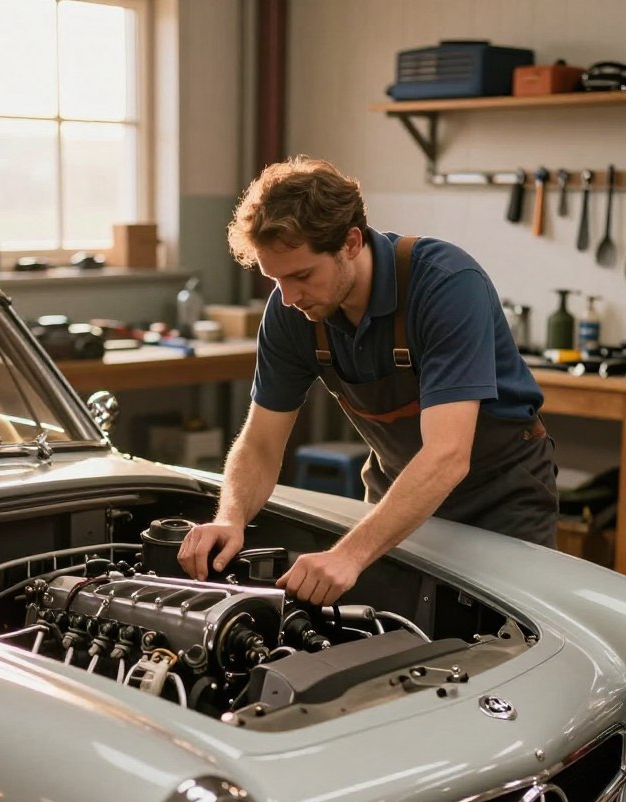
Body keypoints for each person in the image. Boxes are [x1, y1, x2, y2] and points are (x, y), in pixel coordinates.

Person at [177, 155, 558, 606]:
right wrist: (231, 517)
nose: (288, 297)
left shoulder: (446, 285)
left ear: (351, 242)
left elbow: (447, 455)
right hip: (398, 491)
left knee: (503, 646)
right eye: (274, 279)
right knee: (390, 634)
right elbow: (260, 442)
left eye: (301, 275)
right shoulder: (291, 312)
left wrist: (348, 556)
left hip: (500, 499)